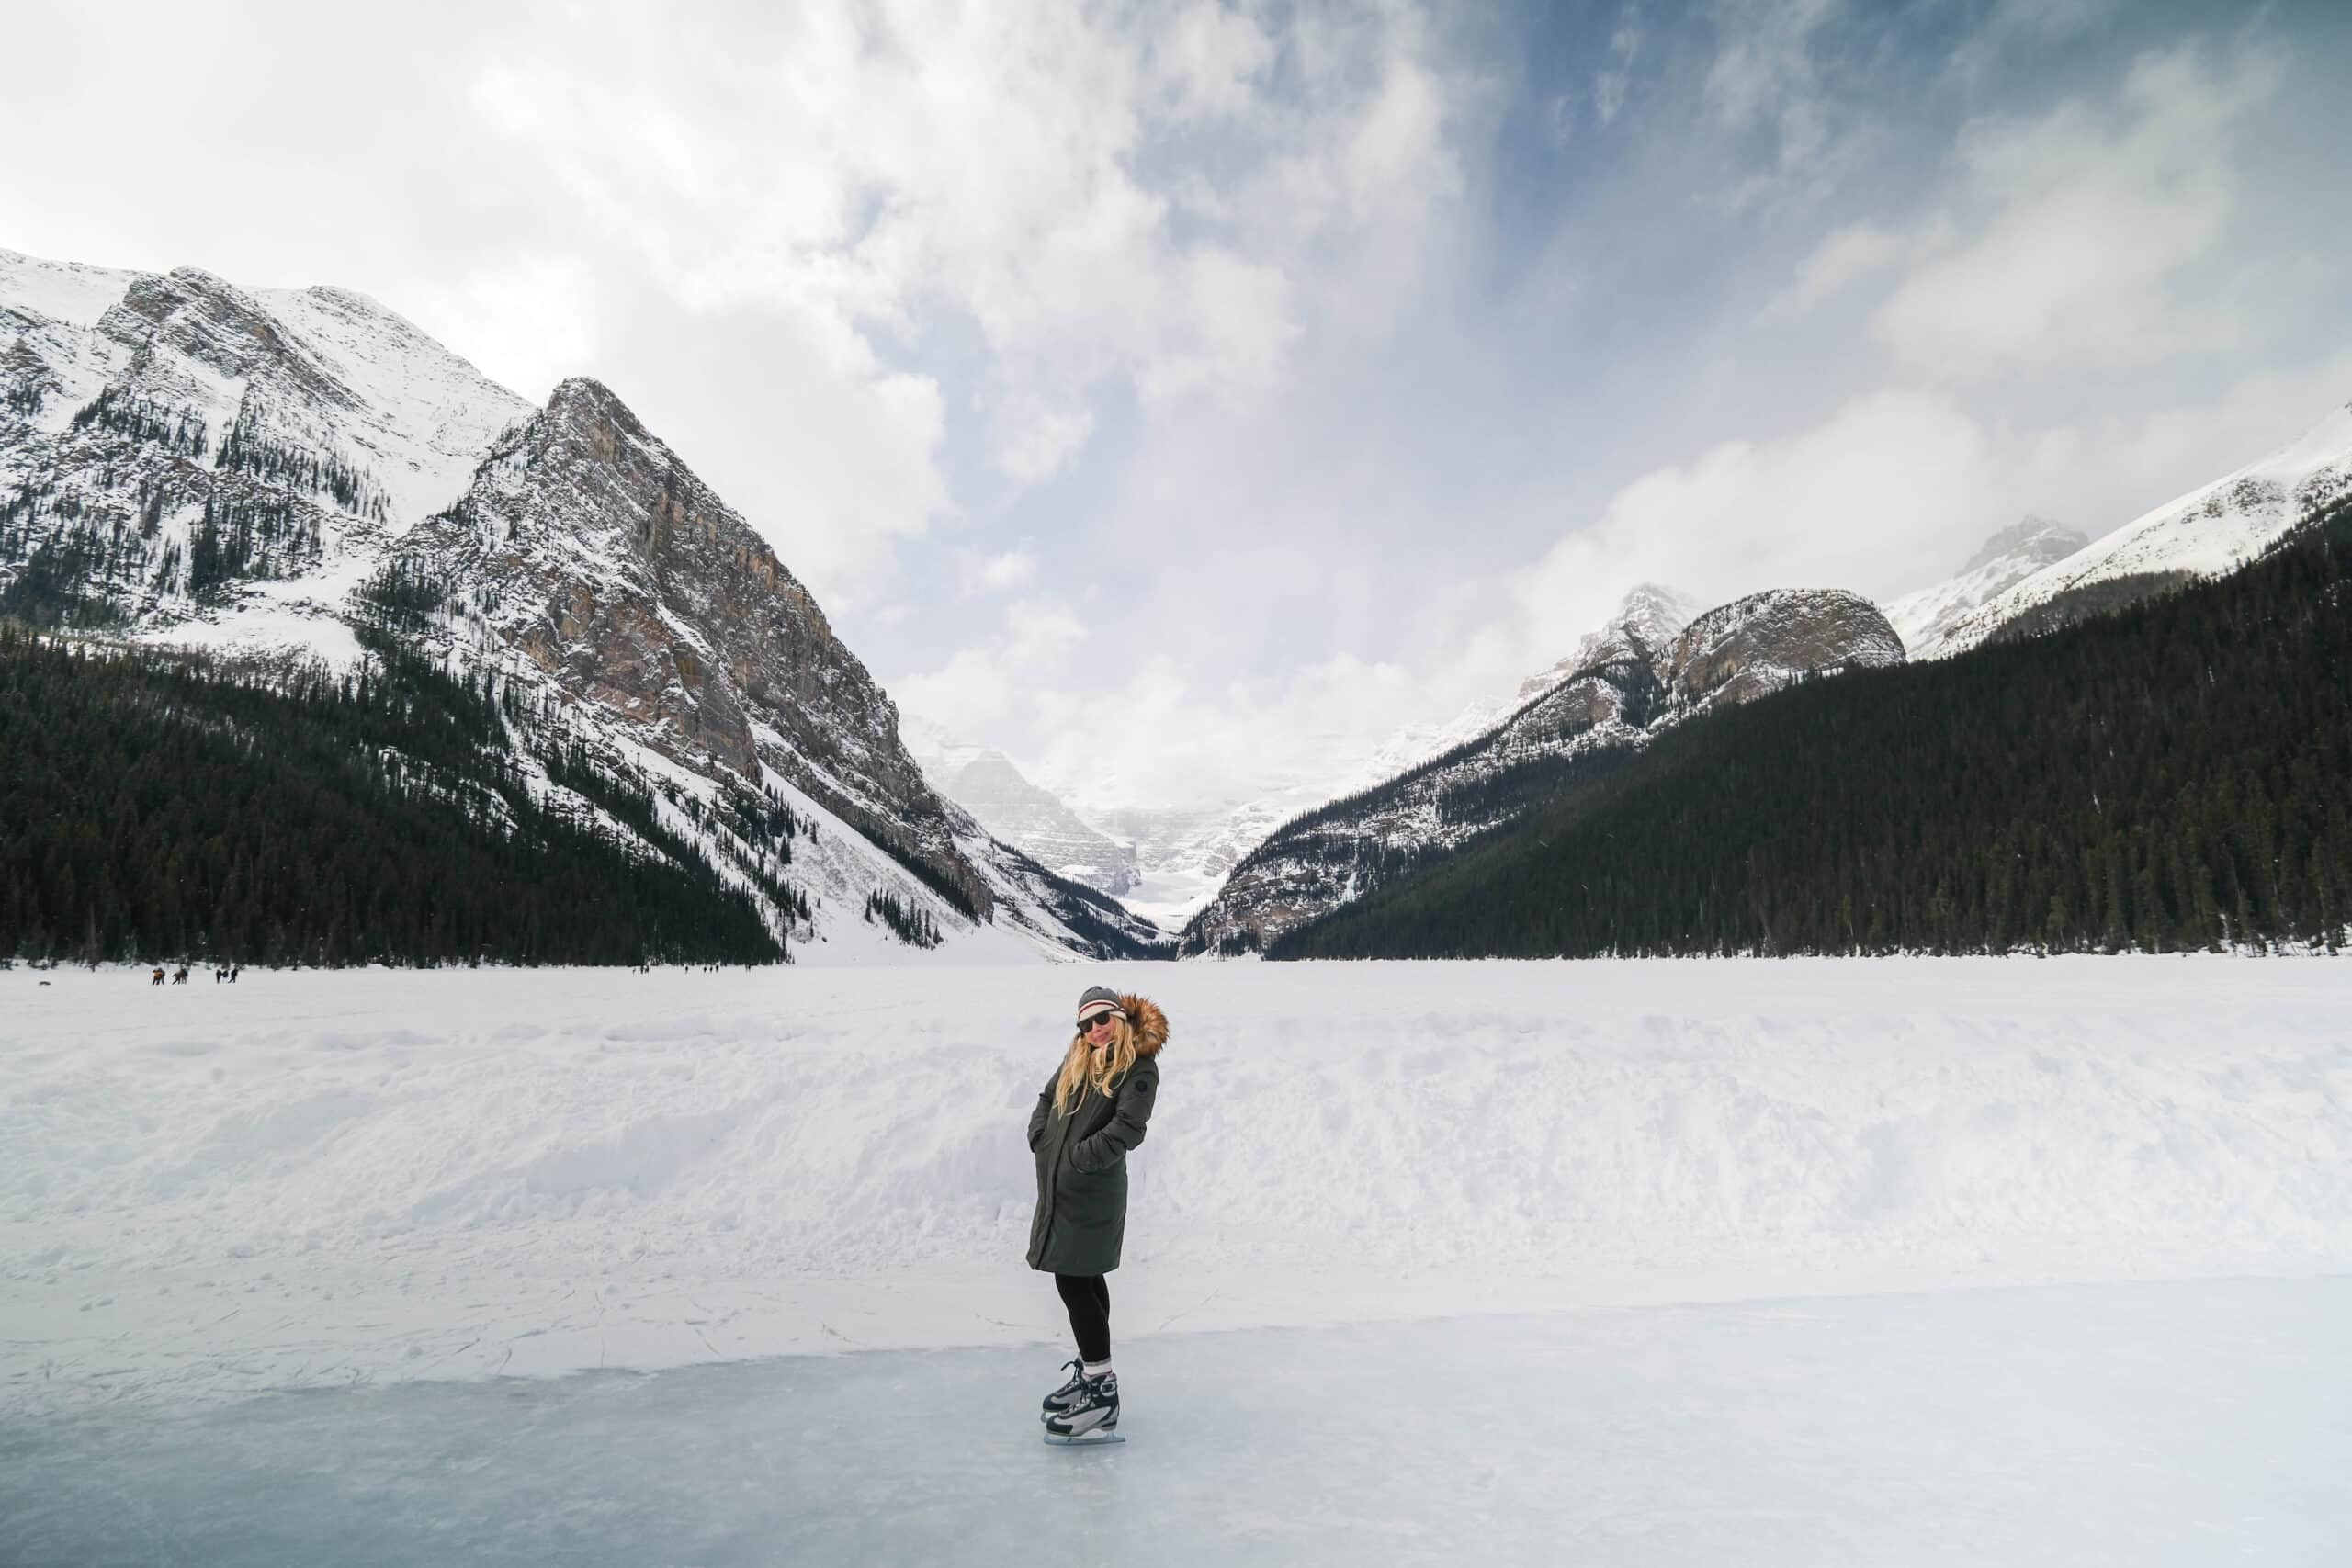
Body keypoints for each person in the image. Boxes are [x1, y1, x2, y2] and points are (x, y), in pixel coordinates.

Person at [1028, 984, 1166, 1443]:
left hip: (1093, 1193)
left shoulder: (1138, 1066)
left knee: (1073, 1278)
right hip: (1061, 1191)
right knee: (1084, 1278)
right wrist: (1041, 1137)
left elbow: (1129, 1127)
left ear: (1120, 1018)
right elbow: (1047, 1100)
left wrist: (1079, 1158)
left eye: (1102, 1020)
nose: (1095, 1030)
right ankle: (1093, 1377)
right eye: (1086, 1025)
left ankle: (1102, 1391)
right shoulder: (1078, 1058)